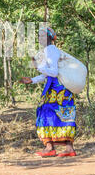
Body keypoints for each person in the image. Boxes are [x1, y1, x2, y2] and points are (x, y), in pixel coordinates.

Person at [20, 27, 77, 157]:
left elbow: (54, 72)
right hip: (60, 89)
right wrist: (32, 80)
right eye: (39, 36)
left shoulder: (50, 50)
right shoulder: (49, 51)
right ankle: (66, 148)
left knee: (47, 113)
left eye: (42, 36)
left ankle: (51, 147)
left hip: (58, 90)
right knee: (63, 115)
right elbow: (48, 74)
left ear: (49, 38)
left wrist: (38, 66)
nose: (39, 39)